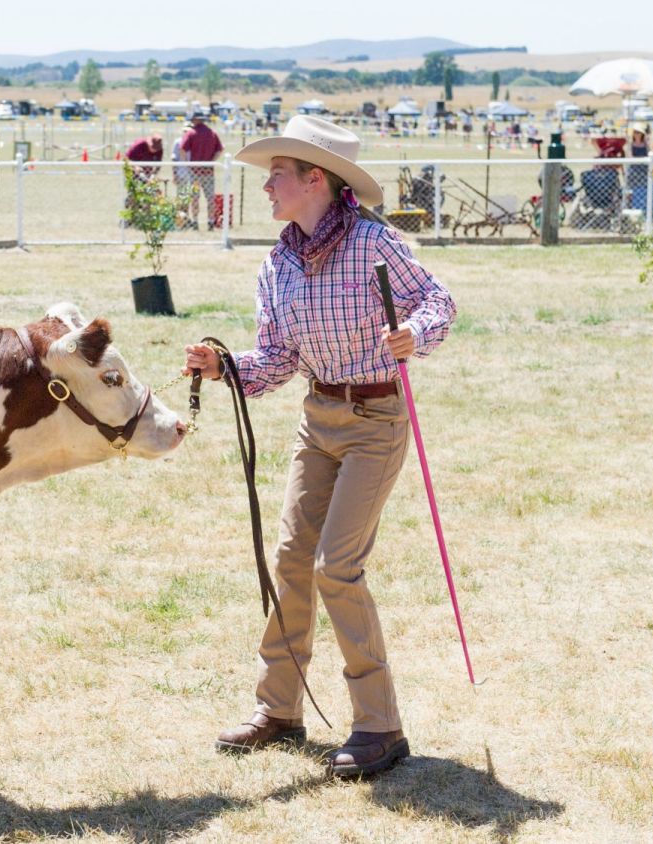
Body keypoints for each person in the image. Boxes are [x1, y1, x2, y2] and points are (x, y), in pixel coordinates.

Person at [181, 115, 456, 779]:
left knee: (338, 566)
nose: (267, 184)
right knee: (291, 559)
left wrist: (413, 335)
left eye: (278, 172)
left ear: (315, 180)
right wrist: (224, 368)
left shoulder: (373, 244)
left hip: (377, 417)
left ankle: (380, 726)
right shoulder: (277, 262)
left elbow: (438, 302)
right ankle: (279, 710)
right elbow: (275, 361)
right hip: (318, 416)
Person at [180, 110, 223, 228]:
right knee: (210, 198)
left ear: (195, 120)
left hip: (195, 171)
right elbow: (219, 150)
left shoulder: (191, 133)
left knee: (195, 198)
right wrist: (211, 161)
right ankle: (210, 221)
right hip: (208, 171)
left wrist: (187, 164)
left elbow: (182, 149)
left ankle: (195, 221)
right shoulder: (212, 133)